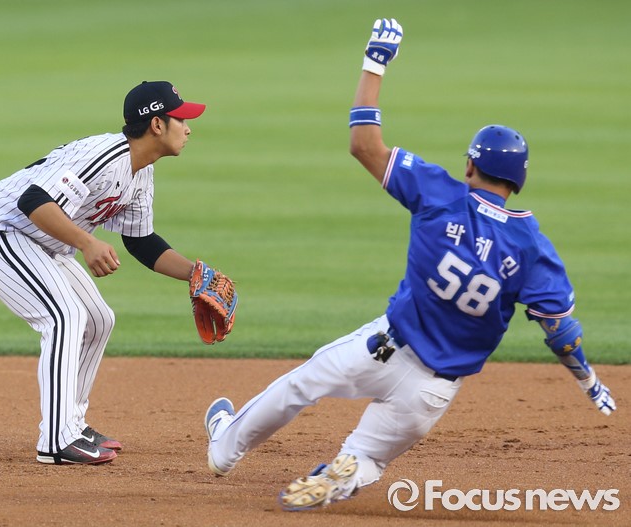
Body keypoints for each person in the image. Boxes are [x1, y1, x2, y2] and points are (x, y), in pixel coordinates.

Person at [203, 18, 616, 511]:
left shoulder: (441, 194)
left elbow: (364, 144)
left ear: (470, 165)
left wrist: (375, 62)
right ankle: (346, 471)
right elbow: (559, 329)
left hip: (380, 349)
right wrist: (588, 380)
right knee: (368, 454)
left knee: (298, 385)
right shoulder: (531, 246)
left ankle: (224, 449)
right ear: (517, 182)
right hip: (432, 394)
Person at [0, 80, 236, 465]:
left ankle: (72, 424)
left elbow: (141, 242)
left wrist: (193, 273)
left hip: (40, 242)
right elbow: (33, 200)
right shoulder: (106, 156)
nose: (188, 129)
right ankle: (56, 440)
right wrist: (87, 243)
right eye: (181, 120)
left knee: (98, 319)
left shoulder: (141, 173)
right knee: (65, 316)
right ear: (157, 124)